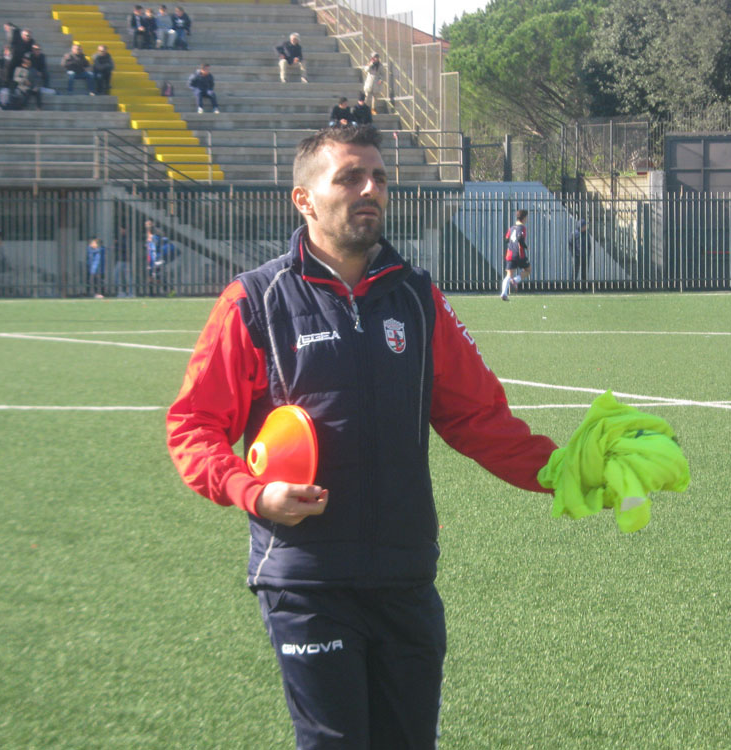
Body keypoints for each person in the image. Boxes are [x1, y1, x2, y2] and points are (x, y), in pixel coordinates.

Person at [166, 125, 558, 749]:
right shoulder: (255, 301)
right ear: (304, 199)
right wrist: (251, 491)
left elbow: (478, 418)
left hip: (404, 575)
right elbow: (193, 425)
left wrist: (565, 473)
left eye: (377, 176)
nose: (370, 189)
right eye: (349, 177)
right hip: (307, 579)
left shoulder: (418, 297)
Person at [500, 208, 531, 299]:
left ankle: (503, 293)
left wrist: (511, 242)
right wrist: (526, 247)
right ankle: (516, 280)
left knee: (508, 274)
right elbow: (520, 239)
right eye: (527, 217)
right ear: (524, 218)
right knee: (528, 270)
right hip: (519, 254)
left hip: (510, 254)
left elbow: (506, 239)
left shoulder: (512, 228)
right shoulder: (522, 228)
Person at [113, 226, 133, 297]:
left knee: (126, 277)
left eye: (121, 229)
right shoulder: (122, 237)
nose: (120, 231)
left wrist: (117, 244)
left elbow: (126, 247)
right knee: (118, 275)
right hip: (121, 259)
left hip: (125, 260)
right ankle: (122, 292)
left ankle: (130, 293)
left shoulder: (127, 238)